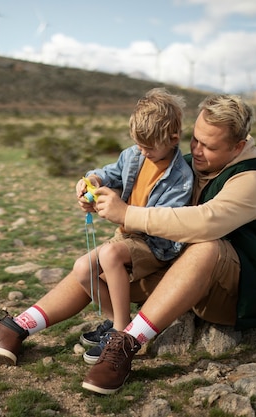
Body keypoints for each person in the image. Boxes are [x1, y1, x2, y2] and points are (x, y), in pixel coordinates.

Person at [0, 93, 256, 396]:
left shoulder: (253, 180)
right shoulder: (190, 162)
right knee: (98, 263)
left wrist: (126, 213)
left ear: (238, 146)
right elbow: (136, 182)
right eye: (195, 140)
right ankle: (16, 329)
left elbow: (204, 221)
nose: (196, 150)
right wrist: (96, 189)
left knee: (206, 244)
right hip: (185, 276)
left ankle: (125, 344)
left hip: (240, 292)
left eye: (209, 146)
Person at [73, 88, 193, 364]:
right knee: (82, 269)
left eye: (149, 146)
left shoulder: (181, 178)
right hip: (127, 236)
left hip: (155, 244)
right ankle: (120, 320)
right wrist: (92, 180)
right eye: (139, 144)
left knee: (110, 254)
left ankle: (119, 333)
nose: (143, 151)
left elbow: (163, 223)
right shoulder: (134, 156)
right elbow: (109, 173)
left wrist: (123, 212)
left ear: (173, 138)